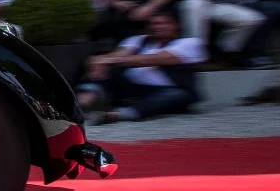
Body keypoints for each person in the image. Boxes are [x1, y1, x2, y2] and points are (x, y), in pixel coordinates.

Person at [76, 10, 205, 124]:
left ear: (177, 26)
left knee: (177, 95)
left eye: (165, 23)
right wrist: (99, 61)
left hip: (168, 90)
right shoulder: (138, 40)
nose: (159, 27)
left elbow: (158, 58)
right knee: (103, 69)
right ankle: (81, 104)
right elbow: (117, 55)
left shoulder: (190, 43)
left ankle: (118, 115)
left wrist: (107, 60)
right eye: (154, 23)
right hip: (132, 87)